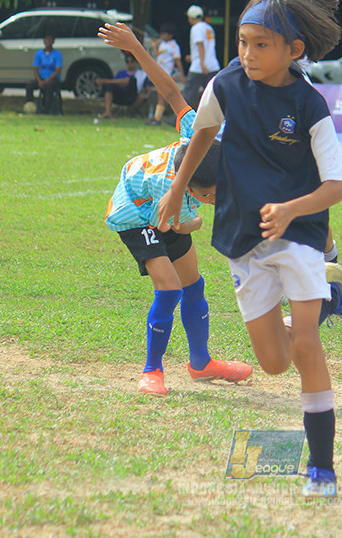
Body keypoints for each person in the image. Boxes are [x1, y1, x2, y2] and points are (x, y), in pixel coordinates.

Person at [157, 0, 342, 498]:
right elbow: (201, 132)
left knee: (308, 347)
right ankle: (327, 299)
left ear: (295, 50)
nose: (247, 54)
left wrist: (292, 208)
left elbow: (335, 185)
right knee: (273, 362)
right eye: (243, 42)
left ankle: (322, 468)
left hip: (299, 233)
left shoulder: (309, 105)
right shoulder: (226, 85)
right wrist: (175, 190)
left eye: (261, 44)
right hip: (243, 235)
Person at [100, 21, 253, 397]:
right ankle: (151, 370)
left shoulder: (201, 137)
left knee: (193, 284)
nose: (217, 200)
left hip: (167, 210)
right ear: (191, 188)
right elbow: (179, 226)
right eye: (210, 195)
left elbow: (169, 90)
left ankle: (200, 363)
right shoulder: (173, 190)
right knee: (168, 289)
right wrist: (196, 219)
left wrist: (137, 46)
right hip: (136, 212)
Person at [180, 5, 220, 109]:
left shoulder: (196, 28)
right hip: (213, 65)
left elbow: (200, 45)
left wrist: (202, 62)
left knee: (188, 94)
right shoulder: (208, 28)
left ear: (190, 18)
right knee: (212, 95)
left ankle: (178, 118)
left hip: (199, 67)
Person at [148, 22, 185, 125]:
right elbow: (157, 55)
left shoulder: (174, 46)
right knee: (161, 97)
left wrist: (182, 75)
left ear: (170, 35)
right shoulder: (162, 44)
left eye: (164, 34)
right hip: (160, 74)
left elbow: (178, 61)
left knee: (165, 98)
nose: (162, 36)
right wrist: (155, 45)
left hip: (168, 74)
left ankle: (158, 119)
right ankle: (157, 118)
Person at [98, 52, 148, 119]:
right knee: (111, 86)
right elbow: (114, 84)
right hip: (120, 95)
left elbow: (148, 89)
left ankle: (106, 81)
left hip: (132, 95)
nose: (129, 64)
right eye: (127, 62)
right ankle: (107, 112)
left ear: (136, 62)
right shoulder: (121, 73)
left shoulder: (142, 74)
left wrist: (146, 95)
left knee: (132, 80)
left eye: (132, 61)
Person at [25, 33, 63, 115]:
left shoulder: (57, 54)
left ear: (53, 41)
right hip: (41, 77)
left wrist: (46, 81)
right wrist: (39, 81)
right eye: (46, 39)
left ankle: (46, 109)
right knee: (29, 85)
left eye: (50, 40)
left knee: (48, 86)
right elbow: (35, 68)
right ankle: (29, 105)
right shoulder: (39, 53)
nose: (48, 41)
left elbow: (58, 71)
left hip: (52, 79)